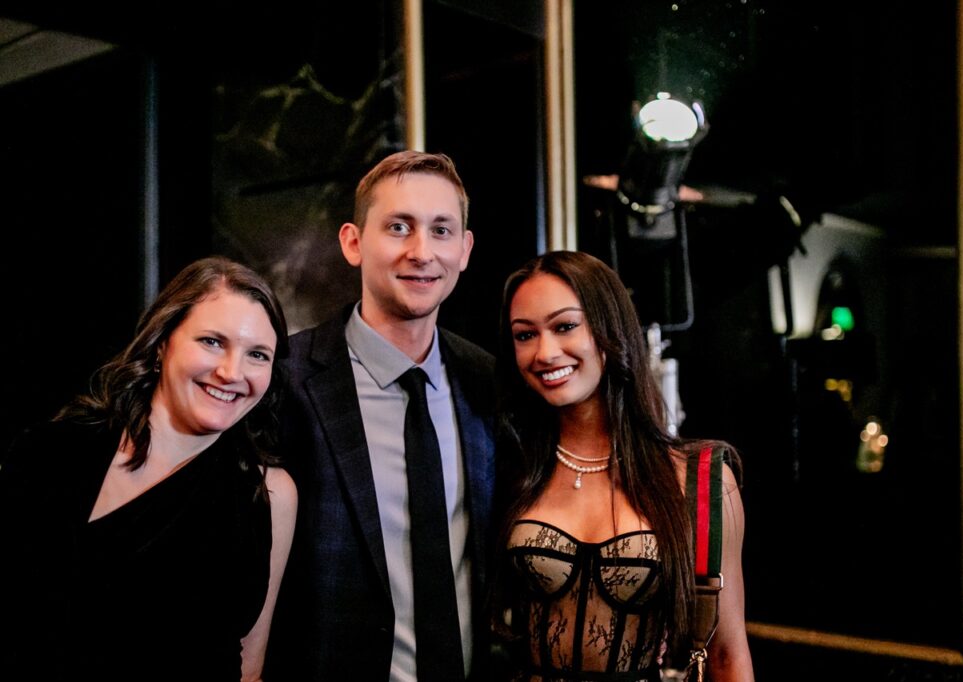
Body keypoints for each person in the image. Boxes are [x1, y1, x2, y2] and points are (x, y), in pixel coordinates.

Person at [0, 256, 298, 682]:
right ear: (162, 343)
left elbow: (249, 668)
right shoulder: (49, 453)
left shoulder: (271, 494)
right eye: (212, 341)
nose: (232, 372)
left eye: (257, 354)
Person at [264, 151, 496, 681]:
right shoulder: (285, 378)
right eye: (398, 227)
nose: (422, 251)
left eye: (442, 230)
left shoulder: (489, 382)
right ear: (352, 242)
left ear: (464, 250)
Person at [492, 250, 754, 681]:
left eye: (565, 326)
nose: (545, 352)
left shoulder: (699, 480)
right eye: (525, 335)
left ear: (608, 329)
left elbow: (727, 654)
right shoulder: (510, 467)